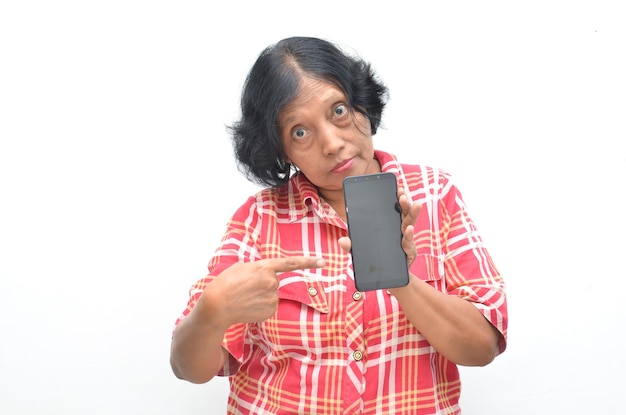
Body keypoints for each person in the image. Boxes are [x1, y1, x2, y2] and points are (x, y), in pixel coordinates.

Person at [170, 36, 508, 415]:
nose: (331, 143)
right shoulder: (259, 218)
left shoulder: (434, 193)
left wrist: (397, 276)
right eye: (300, 131)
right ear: (279, 148)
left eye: (339, 111)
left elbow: (483, 348)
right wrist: (211, 311)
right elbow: (187, 367)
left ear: (361, 101)